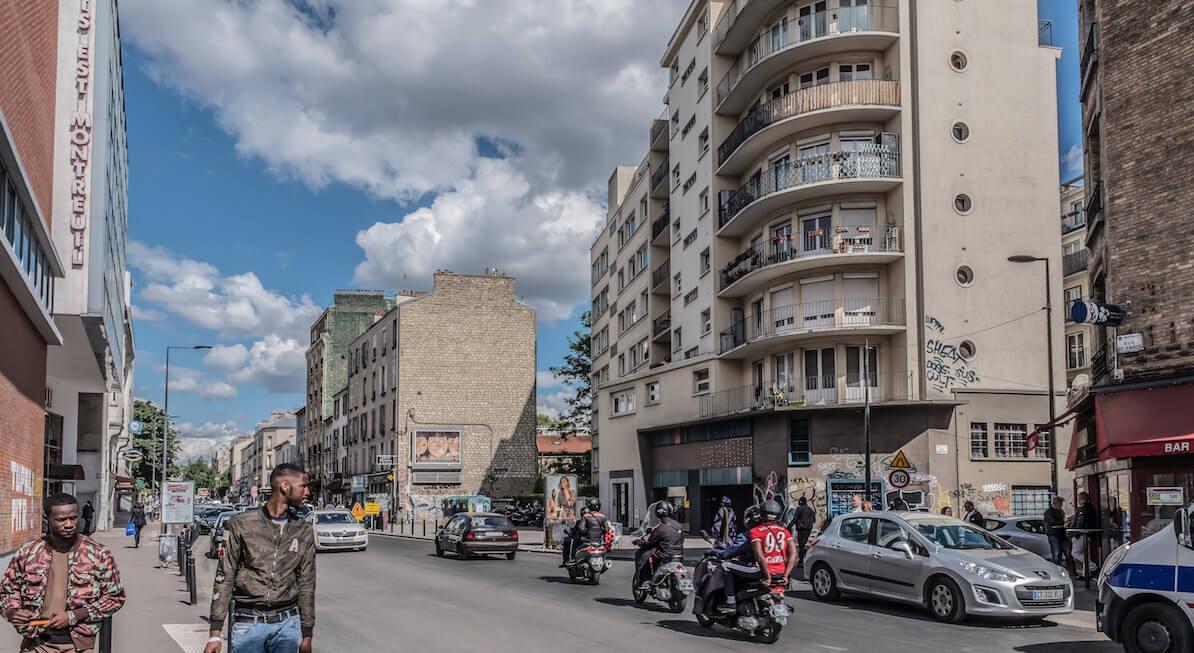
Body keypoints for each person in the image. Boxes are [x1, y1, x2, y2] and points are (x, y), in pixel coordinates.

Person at [206, 464, 315, 653]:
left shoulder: (303, 530)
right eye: (303, 486)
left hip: (288, 625)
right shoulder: (242, 525)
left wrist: (307, 634)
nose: (308, 491)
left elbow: (307, 584)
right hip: (248, 624)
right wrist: (215, 633)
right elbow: (225, 576)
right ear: (284, 486)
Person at [0, 493, 126, 652]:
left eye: (73, 518)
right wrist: (13, 611)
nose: (69, 524)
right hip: (36, 643)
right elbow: (7, 591)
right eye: (61, 520)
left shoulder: (98, 553)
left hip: (77, 645)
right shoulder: (28, 552)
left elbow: (115, 598)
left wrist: (74, 616)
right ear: (47, 520)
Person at [634, 502, 683, 591]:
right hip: (679, 554)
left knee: (646, 558)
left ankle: (646, 581)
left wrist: (639, 542)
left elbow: (649, 542)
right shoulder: (678, 526)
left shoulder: (660, 528)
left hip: (664, 555)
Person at [561, 498, 611, 567]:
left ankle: (572, 558)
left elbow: (581, 528)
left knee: (574, 541)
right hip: (598, 541)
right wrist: (600, 532)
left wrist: (587, 532)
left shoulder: (586, 516)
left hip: (587, 539)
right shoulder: (603, 516)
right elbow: (607, 529)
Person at [1071, 492, 1099, 578]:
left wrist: (1074, 531)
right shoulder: (1090, 509)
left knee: (1075, 553)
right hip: (1084, 534)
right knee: (1086, 553)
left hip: (1081, 534)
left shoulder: (1083, 510)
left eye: (1079, 498)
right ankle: (1086, 574)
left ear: (1082, 499)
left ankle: (1092, 567)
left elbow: (1084, 522)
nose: (1078, 500)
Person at [1043, 497, 1069, 565]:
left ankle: (1068, 569)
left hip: (1061, 534)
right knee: (1056, 553)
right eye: (1060, 504)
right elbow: (1052, 522)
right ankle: (1056, 568)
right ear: (1056, 503)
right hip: (1053, 534)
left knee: (1067, 552)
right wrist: (1064, 523)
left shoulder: (1061, 511)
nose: (1061, 505)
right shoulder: (1048, 512)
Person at [792, 497, 816, 565]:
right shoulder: (810, 510)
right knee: (803, 544)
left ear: (800, 502)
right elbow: (814, 520)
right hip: (808, 530)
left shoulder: (799, 509)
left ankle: (801, 560)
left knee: (801, 545)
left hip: (801, 529)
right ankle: (803, 559)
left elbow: (794, 519)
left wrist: (789, 526)